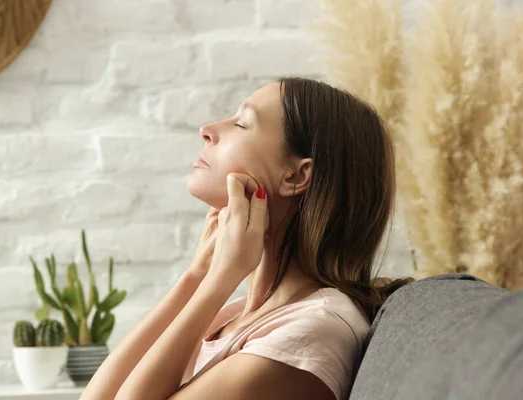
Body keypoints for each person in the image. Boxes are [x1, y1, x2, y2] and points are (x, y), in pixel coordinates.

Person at [80, 77, 415, 400]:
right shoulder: (238, 314)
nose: (207, 130)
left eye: (241, 124)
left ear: (296, 175)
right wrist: (195, 277)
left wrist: (219, 280)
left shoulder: (308, 334)